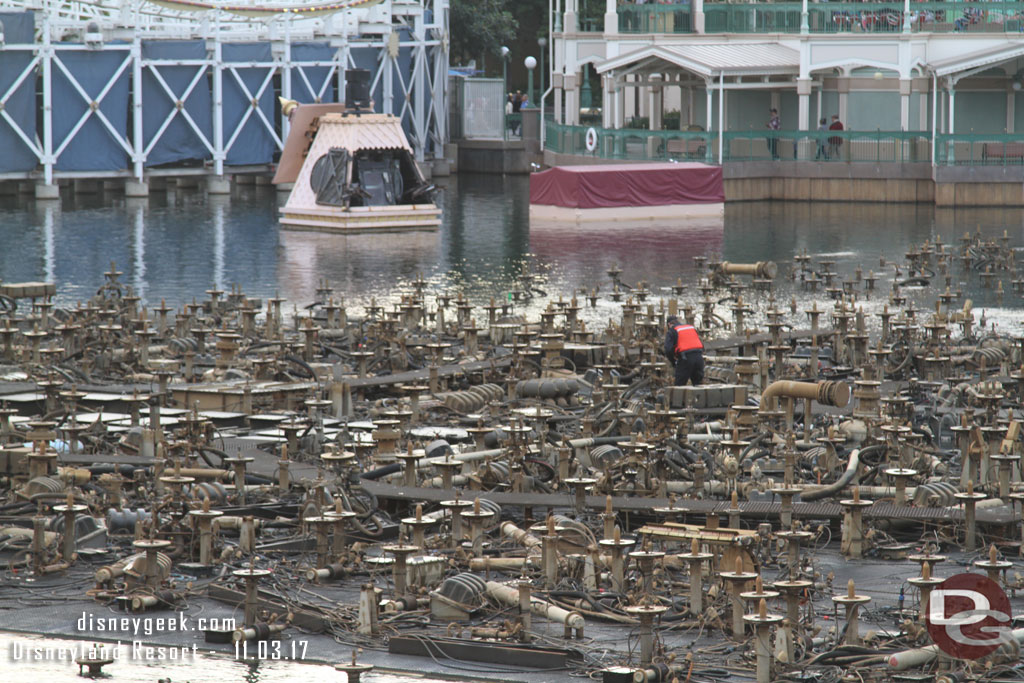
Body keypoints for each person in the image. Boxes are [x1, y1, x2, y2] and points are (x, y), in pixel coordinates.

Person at [664, 315, 704, 386]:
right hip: (699, 358)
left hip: (685, 358)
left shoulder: (672, 330)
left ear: (669, 324)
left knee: (679, 387)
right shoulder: (690, 327)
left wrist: (673, 362)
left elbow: (668, 350)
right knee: (698, 386)